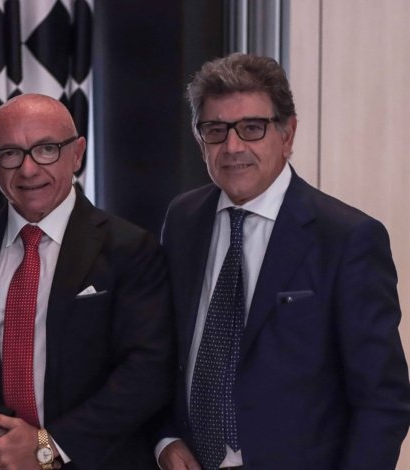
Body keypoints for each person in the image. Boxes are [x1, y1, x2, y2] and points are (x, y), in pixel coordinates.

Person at [156, 52, 410, 470]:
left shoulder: (347, 238)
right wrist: (165, 437)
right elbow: (162, 350)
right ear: (200, 141)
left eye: (252, 128)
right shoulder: (183, 219)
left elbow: (382, 402)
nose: (233, 147)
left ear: (287, 134)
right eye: (216, 130)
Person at [0, 93, 173, 469]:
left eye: (47, 149)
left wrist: (46, 448)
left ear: (77, 154)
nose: (29, 169)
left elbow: (147, 371)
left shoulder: (131, 249)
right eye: (11, 154)